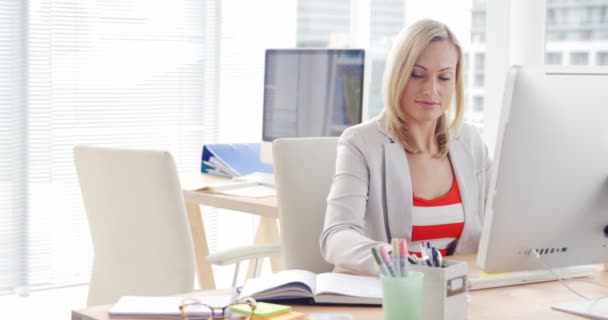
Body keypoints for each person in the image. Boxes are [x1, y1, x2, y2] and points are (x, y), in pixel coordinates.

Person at [319, 19, 492, 275]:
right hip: (388, 293)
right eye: (417, 74)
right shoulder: (361, 143)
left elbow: (497, 227)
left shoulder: (470, 141)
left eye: (444, 77)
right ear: (398, 75)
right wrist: (402, 264)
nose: (430, 89)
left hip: (455, 292)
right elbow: (336, 236)